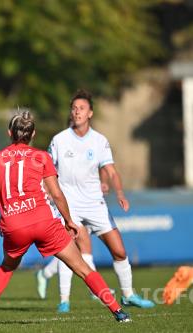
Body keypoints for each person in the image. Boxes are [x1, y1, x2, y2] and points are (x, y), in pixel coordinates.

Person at [0, 111, 131, 326]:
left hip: (14, 226)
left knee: (7, 267)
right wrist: (69, 220)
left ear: (9, 133)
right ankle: (119, 312)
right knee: (82, 267)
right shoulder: (40, 157)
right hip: (43, 222)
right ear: (33, 134)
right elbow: (56, 193)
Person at [43, 89, 154, 313]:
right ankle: (64, 300)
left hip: (95, 204)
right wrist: (48, 197)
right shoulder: (59, 140)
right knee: (69, 249)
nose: (77, 112)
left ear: (90, 113)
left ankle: (129, 295)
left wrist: (120, 193)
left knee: (119, 251)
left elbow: (111, 172)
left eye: (81, 108)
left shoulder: (99, 140)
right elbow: (47, 172)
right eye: (74, 108)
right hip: (69, 204)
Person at [35, 167, 111, 300]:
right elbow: (47, 183)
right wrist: (49, 193)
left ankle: (46, 274)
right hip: (65, 209)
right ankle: (72, 296)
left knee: (76, 250)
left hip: (79, 205)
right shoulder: (54, 152)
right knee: (72, 249)